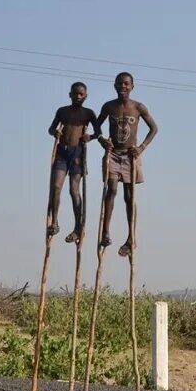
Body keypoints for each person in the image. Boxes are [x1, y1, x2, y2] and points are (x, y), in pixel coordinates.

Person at [95, 72, 158, 256]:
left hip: (130, 157)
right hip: (113, 154)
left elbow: (154, 128)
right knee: (111, 190)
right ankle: (105, 232)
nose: (123, 87)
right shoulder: (109, 107)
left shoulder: (138, 107)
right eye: (119, 84)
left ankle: (131, 239)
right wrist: (101, 139)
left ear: (132, 86)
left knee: (129, 197)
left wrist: (141, 147)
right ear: (114, 86)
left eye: (126, 84)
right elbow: (97, 125)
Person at [47, 82, 100, 242]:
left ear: (85, 96)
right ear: (70, 94)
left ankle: (78, 227)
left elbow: (98, 132)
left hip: (77, 152)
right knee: (56, 187)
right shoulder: (62, 111)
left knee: (74, 190)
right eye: (75, 94)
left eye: (81, 94)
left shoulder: (89, 113)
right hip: (62, 151)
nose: (78, 97)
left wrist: (89, 137)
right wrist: (54, 132)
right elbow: (51, 128)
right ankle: (54, 222)